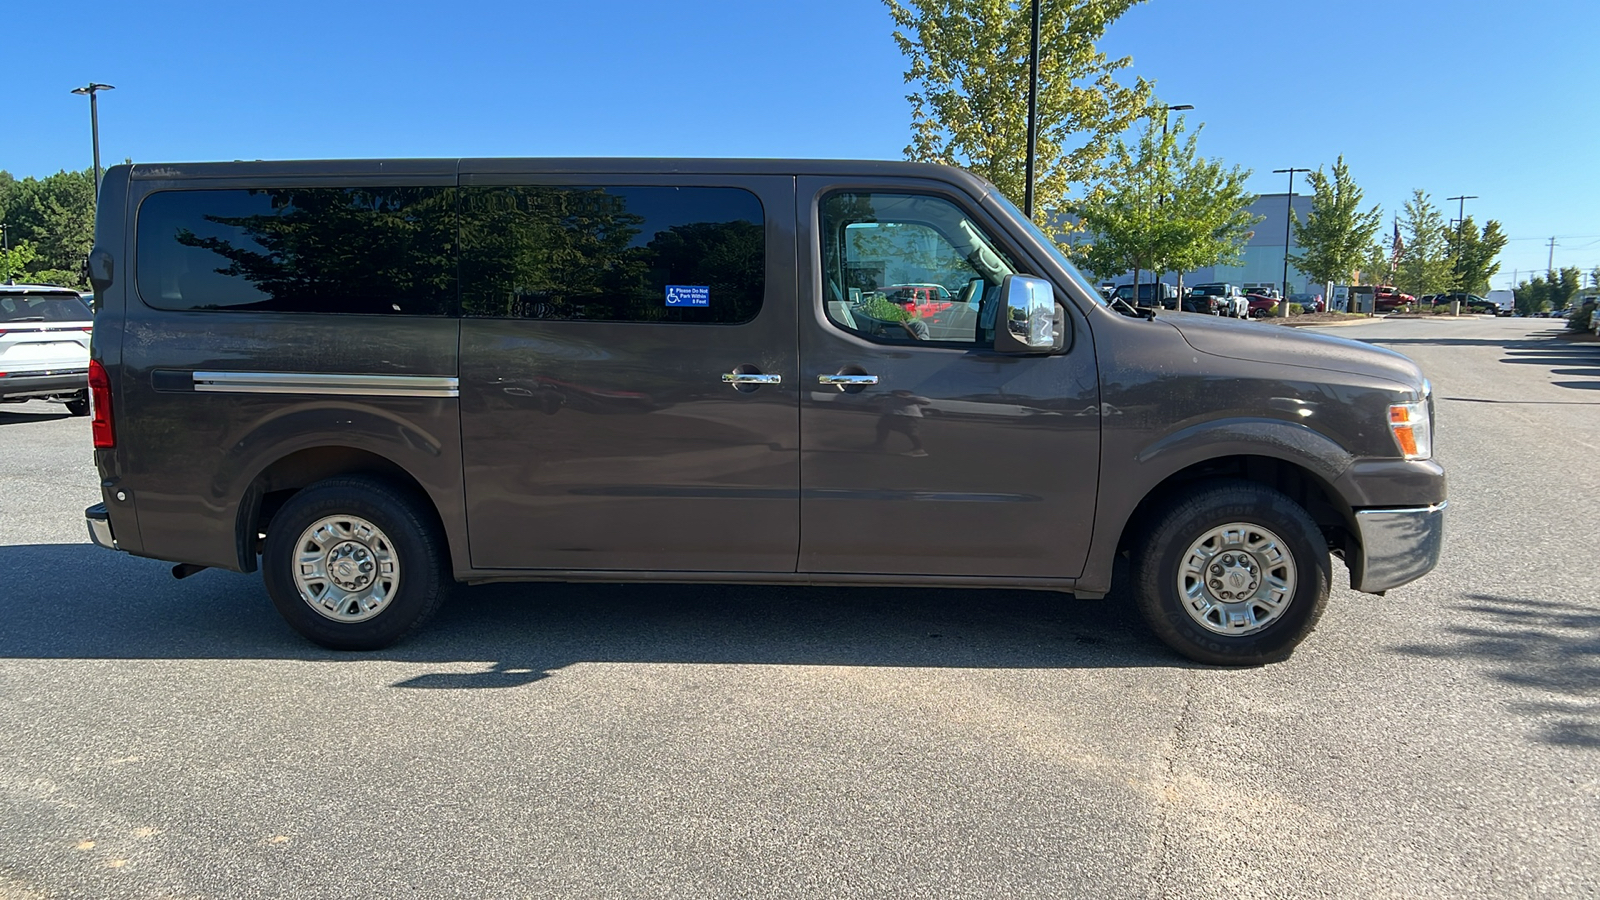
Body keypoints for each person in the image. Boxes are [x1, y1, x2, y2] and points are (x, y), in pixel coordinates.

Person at [874, 389, 932, 456]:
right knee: (881, 427)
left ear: (908, 393)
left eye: (900, 391)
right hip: (890, 415)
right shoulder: (891, 398)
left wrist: (903, 397)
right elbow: (877, 402)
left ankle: (918, 449)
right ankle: (879, 445)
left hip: (907, 417)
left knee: (911, 432)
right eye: (895, 392)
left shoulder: (912, 398)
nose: (895, 393)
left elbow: (927, 401)